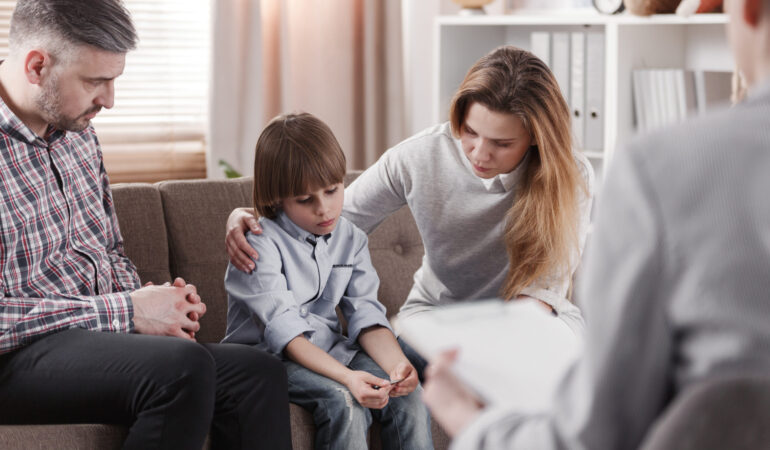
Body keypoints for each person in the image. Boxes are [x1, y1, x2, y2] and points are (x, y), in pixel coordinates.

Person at [420, 0, 770, 448]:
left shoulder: (663, 169)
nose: (480, 153)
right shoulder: (422, 155)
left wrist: (468, 421)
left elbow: (594, 435)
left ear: (750, 9)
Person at [0, 1, 291, 448]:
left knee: (258, 373)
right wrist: (127, 311)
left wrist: (161, 309)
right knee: (181, 368)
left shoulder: (78, 134)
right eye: (96, 81)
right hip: (15, 357)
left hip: (91, 341)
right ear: (37, 66)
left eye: (113, 81)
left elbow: (108, 252)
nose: (109, 101)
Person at [225, 46, 595, 377]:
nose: (480, 153)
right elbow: (335, 219)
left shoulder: (570, 176)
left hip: (531, 321)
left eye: (502, 143)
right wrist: (254, 216)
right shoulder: (420, 156)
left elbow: (542, 293)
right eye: (469, 132)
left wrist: (495, 349)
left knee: (537, 368)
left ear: (535, 137)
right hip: (436, 318)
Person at [222, 112, 433, 450]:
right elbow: (286, 334)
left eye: (333, 190)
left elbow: (365, 315)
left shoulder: (350, 237)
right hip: (268, 361)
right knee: (345, 402)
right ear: (277, 198)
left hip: (331, 349)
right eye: (305, 200)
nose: (324, 209)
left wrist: (398, 367)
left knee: (410, 398)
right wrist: (348, 378)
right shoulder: (258, 243)